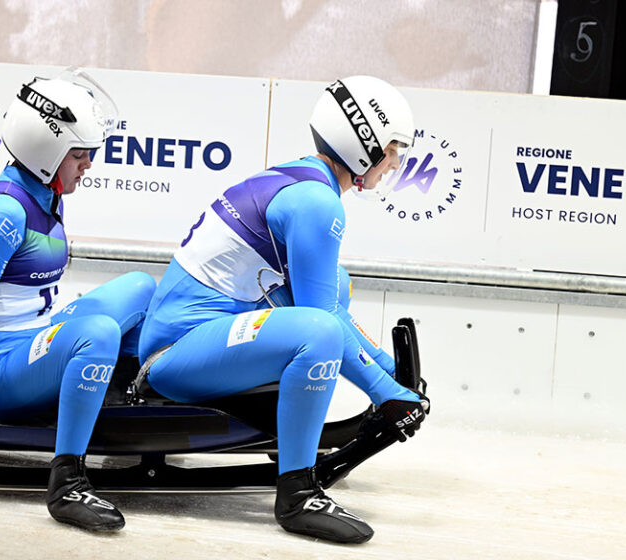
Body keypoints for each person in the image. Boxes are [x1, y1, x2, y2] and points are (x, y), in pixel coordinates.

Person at [138, 75, 429, 544]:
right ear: (363, 144)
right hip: (171, 358)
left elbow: (326, 302)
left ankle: (295, 441)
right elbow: (322, 322)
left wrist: (389, 374)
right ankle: (297, 495)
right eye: (392, 149)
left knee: (333, 286)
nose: (396, 162)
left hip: (193, 338)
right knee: (317, 332)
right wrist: (385, 393)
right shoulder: (317, 203)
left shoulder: (301, 178)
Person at [0, 68, 156, 533]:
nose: (88, 165)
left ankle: (122, 390)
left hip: (34, 338)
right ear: (44, 153)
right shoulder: (1, 216)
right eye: (78, 155)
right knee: (98, 332)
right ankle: (67, 482)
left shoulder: (46, 193)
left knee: (141, 286)